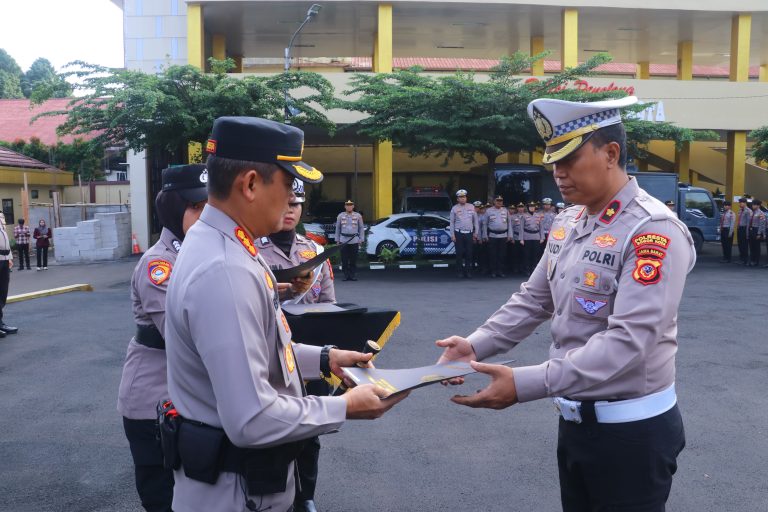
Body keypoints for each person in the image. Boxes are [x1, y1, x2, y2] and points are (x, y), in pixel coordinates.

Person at [437, 96, 695, 512]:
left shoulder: (653, 232)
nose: (557, 173)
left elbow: (629, 342)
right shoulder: (569, 221)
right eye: (553, 161)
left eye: (569, 159)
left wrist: (523, 384)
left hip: (632, 433)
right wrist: (475, 345)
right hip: (575, 421)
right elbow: (534, 299)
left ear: (611, 153)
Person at [164, 117, 406, 512]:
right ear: (252, 184)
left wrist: (326, 357)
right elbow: (252, 418)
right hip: (236, 496)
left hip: (243, 486)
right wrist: (346, 406)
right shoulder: (225, 268)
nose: (294, 198)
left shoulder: (226, 244)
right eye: (289, 183)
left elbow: (259, 346)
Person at [117, 164, 208, 512]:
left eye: (207, 207)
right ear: (173, 207)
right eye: (195, 207)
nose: (203, 215)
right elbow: (182, 335)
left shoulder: (196, 255)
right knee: (162, 496)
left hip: (186, 396)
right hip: (153, 400)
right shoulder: (160, 265)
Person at [256, 179, 335, 512]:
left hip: (310, 354)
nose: (289, 211)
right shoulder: (253, 250)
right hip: (270, 356)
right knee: (272, 427)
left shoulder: (313, 252)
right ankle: (270, 495)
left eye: (296, 205)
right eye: (285, 204)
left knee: (309, 433)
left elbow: (330, 304)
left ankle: (305, 496)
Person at [450, 189, 480, 278]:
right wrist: (452, 234)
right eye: (461, 197)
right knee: (459, 253)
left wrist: (476, 233)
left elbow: (476, 221)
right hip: (458, 233)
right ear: (457, 199)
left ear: (466, 198)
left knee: (469, 253)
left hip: (469, 234)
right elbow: (452, 222)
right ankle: (459, 271)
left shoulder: (471, 207)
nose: (463, 199)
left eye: (464, 197)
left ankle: (468, 272)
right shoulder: (454, 208)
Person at [334, 199, 365, 281]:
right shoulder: (340, 216)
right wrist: (337, 240)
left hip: (354, 240)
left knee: (353, 259)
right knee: (344, 259)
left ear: (353, 206)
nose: (349, 207)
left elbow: (361, 228)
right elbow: (338, 228)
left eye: (351, 205)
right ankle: (346, 275)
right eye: (347, 205)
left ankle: (352, 275)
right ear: (345, 207)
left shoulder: (358, 216)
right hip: (343, 240)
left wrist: (361, 239)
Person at [0, 211, 18, 337]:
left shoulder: (2, 221)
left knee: (2, 292)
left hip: (4, 259)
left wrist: (9, 257)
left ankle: (0, 323)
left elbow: (5, 241)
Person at [483, 196, 510, 277]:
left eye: (501, 201)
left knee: (502, 254)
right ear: (494, 201)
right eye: (497, 201)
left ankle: (500, 271)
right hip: (492, 235)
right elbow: (485, 224)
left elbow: (509, 224)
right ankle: (493, 271)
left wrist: (510, 235)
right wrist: (485, 235)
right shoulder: (489, 211)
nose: (499, 202)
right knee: (493, 254)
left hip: (503, 235)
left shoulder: (505, 210)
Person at [518, 201, 543, 275]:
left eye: (533, 206)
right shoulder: (524, 216)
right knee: (527, 255)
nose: (532, 208)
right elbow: (521, 228)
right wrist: (521, 239)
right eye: (530, 207)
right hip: (527, 236)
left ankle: (534, 269)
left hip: (536, 237)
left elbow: (541, 227)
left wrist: (542, 238)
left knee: (535, 254)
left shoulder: (538, 216)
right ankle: (527, 269)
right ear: (528, 208)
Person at [748, 199, 766, 266]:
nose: (752, 206)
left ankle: (756, 261)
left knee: (756, 247)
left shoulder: (761, 213)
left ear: (758, 205)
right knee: (751, 246)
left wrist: (759, 233)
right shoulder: (753, 212)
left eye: (754, 204)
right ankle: (752, 260)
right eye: (752, 204)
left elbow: (761, 224)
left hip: (756, 230)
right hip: (751, 230)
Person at [736, 197, 752, 265]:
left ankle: (745, 260)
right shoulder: (740, 210)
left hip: (744, 228)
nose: (740, 204)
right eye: (739, 202)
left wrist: (747, 232)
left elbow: (748, 223)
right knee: (740, 244)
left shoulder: (748, 211)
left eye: (741, 203)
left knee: (744, 245)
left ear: (745, 203)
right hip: (740, 228)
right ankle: (741, 259)